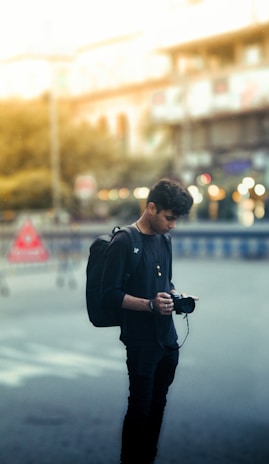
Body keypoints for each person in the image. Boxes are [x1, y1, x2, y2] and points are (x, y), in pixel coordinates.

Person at [101, 178, 198, 464]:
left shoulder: (164, 240)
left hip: (167, 341)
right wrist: (150, 305)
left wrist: (175, 297)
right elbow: (110, 295)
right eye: (169, 218)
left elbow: (164, 281)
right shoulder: (124, 242)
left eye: (176, 220)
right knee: (140, 408)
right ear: (152, 208)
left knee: (158, 407)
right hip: (141, 342)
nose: (173, 225)